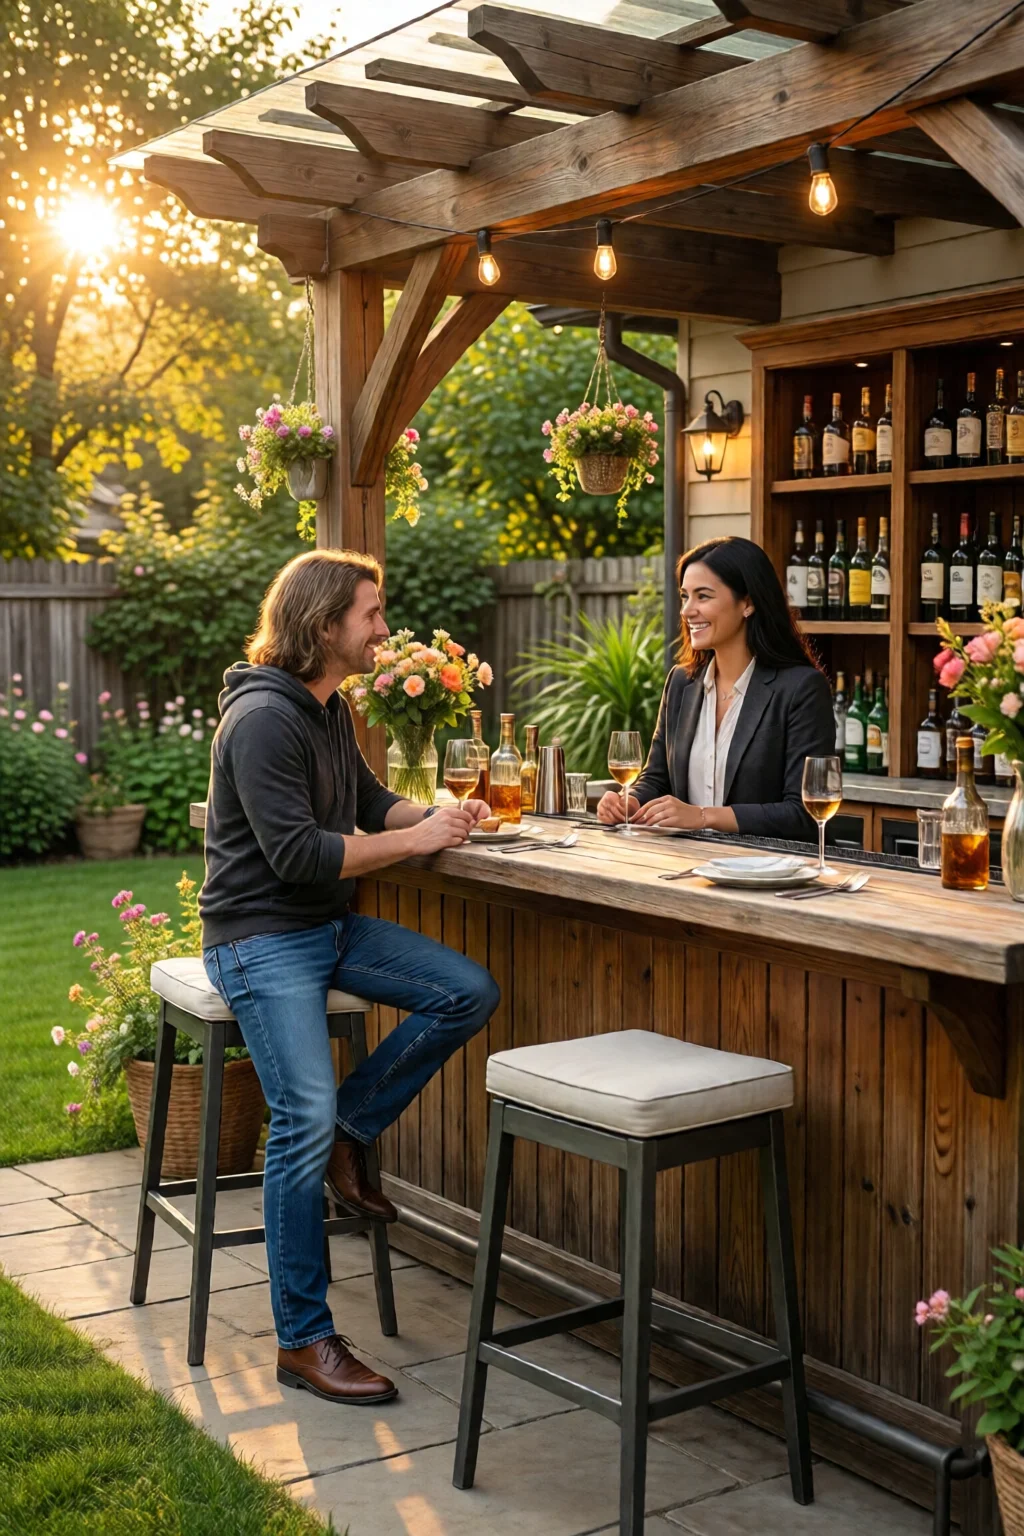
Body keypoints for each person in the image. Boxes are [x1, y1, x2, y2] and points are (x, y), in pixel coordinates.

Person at [200, 549, 499, 1408]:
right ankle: (303, 1340)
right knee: (298, 1112)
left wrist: (442, 816)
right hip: (259, 937)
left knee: (466, 991)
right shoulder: (262, 719)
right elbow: (296, 855)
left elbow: (370, 803)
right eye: (370, 614)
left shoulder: (326, 708)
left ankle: (348, 1133)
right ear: (324, 623)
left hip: (326, 928)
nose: (382, 627)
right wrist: (416, 842)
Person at [598, 536, 834, 841]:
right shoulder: (681, 683)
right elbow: (657, 780)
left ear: (748, 603)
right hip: (691, 865)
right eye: (685, 597)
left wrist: (702, 817)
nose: (686, 610)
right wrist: (627, 802)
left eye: (703, 596)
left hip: (770, 872)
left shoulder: (801, 689)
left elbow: (803, 813)